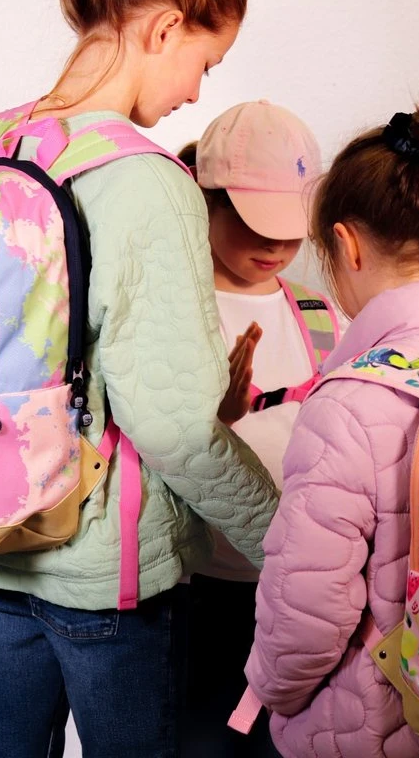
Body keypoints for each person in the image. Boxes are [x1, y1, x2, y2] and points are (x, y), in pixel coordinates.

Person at [0, 0, 279, 758]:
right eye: (205, 61)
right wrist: (287, 541)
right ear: (166, 28)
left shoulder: (1, 138)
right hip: (102, 574)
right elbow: (171, 426)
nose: (197, 91)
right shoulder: (147, 181)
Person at [245, 98, 419, 758]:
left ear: (348, 244)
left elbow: (306, 621)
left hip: (384, 728)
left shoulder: (348, 403)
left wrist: (271, 695)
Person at [178, 100, 340, 757]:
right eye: (254, 224)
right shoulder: (175, 313)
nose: (275, 246)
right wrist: (214, 418)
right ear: (204, 202)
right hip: (201, 596)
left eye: (291, 229)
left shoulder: (319, 311)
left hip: (299, 598)